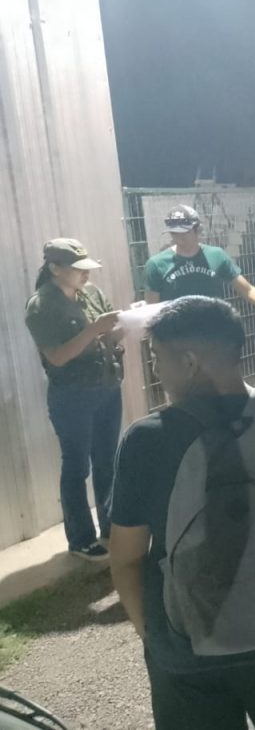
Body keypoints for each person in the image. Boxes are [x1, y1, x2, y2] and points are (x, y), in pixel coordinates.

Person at [108, 296, 255, 730]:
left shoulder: (145, 441)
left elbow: (125, 558)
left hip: (185, 651)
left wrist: (154, 635)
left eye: (158, 358)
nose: (156, 370)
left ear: (189, 362)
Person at [24, 239, 123, 560]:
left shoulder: (91, 293)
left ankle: (111, 525)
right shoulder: (41, 305)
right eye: (78, 269)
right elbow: (57, 356)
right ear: (55, 269)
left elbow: (109, 336)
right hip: (72, 395)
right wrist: (94, 329)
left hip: (106, 386)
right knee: (77, 466)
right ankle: (81, 538)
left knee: (107, 461)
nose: (86, 274)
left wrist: (126, 324)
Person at [144, 204, 255, 320]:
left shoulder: (216, 256)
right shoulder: (156, 264)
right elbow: (152, 311)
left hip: (215, 335)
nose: (179, 238)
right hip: (176, 340)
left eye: (185, 232)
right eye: (174, 233)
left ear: (198, 229)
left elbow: (248, 291)